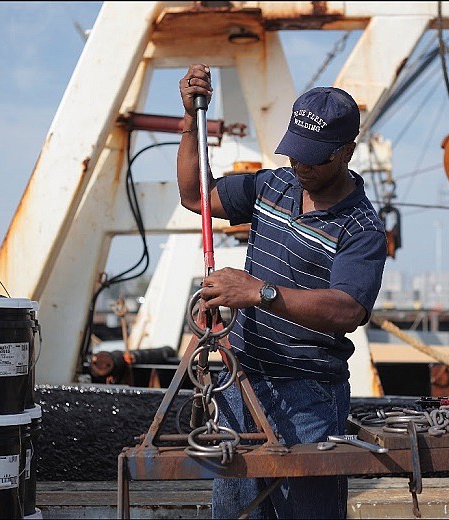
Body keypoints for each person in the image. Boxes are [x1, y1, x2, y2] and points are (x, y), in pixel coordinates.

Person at [177, 64, 387, 519]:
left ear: (348, 151)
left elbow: (347, 309)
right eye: (296, 154)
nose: (301, 166)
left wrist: (259, 293)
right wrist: (190, 122)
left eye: (315, 158)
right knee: (237, 511)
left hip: (308, 396)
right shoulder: (273, 184)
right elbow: (197, 196)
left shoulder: (362, 228)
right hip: (240, 382)